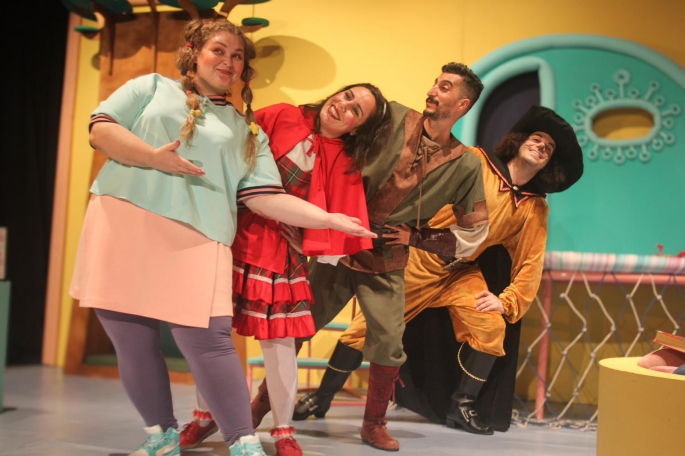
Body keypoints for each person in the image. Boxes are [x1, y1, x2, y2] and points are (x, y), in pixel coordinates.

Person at [69, 18, 376, 456]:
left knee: (210, 342)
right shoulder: (150, 87)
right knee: (131, 340)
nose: (228, 62)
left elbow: (265, 197)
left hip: (200, 235)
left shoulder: (247, 131)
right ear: (194, 51)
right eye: (219, 50)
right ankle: (161, 436)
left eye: (237, 57)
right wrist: (154, 158)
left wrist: (328, 219)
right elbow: (101, 130)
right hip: (122, 219)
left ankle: (243, 441)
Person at [252, 62, 491, 452]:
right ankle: (260, 408)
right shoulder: (392, 116)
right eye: (435, 82)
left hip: (386, 258)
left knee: (389, 342)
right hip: (338, 245)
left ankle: (373, 424)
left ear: (463, 104)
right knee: (296, 327)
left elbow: (474, 234)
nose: (433, 90)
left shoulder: (465, 165)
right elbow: (333, 141)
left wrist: (417, 237)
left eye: (445, 87)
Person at [304, 104, 585, 435]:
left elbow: (530, 260)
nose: (541, 146)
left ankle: (461, 406)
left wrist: (507, 301)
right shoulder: (476, 162)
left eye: (548, 148)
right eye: (537, 139)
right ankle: (321, 398)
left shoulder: (533, 207)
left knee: (490, 326)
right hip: (420, 263)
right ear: (520, 140)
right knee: (364, 330)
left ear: (550, 164)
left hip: (462, 273)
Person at [178, 85, 393, 456]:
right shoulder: (281, 114)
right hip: (230, 233)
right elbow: (230, 152)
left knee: (280, 346)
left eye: (355, 110)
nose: (342, 106)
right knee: (209, 334)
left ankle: (283, 430)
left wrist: (310, 238)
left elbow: (335, 215)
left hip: (280, 252)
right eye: (346, 96)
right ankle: (205, 414)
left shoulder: (344, 160)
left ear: (357, 128)